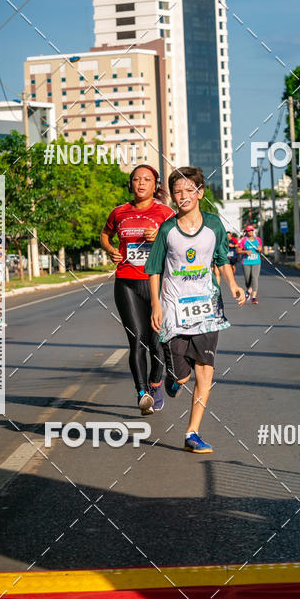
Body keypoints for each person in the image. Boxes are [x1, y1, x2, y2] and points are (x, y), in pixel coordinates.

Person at [146, 166, 245, 454]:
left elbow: (221, 258)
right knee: (183, 377)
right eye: (177, 192)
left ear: (200, 193)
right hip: (174, 309)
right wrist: (155, 304)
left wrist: (233, 284)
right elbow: (153, 269)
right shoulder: (168, 229)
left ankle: (192, 433)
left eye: (189, 190)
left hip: (207, 309)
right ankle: (173, 378)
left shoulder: (214, 225)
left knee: (205, 373)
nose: (183, 196)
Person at [101, 164, 175, 415]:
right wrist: (110, 249)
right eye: (136, 179)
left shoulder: (166, 213)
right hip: (126, 281)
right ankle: (142, 393)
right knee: (136, 341)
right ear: (130, 184)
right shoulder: (119, 212)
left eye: (147, 179)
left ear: (156, 185)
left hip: (157, 283)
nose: (141, 183)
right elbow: (105, 234)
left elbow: (178, 241)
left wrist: (160, 237)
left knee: (157, 343)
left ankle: (155, 384)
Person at [238, 224, 262, 304]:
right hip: (246, 262)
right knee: (247, 280)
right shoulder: (244, 240)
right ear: (246, 232)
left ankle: (254, 297)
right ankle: (248, 291)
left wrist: (260, 249)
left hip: (256, 261)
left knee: (254, 278)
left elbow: (260, 249)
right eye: (249, 231)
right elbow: (238, 251)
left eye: (251, 230)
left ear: (253, 231)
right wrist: (245, 251)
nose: (250, 232)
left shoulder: (258, 239)